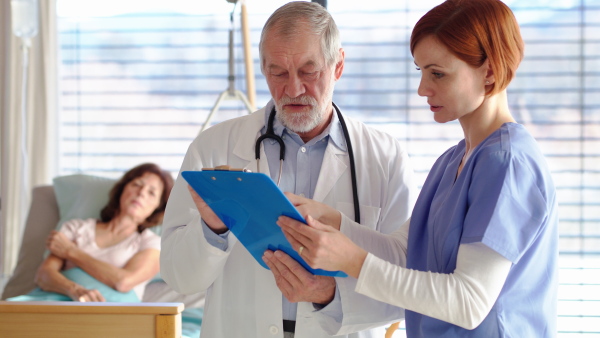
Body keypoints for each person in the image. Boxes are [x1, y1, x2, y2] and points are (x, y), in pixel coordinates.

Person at [276, 0, 559, 337]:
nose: (423, 89)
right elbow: (404, 253)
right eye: (421, 71)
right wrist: (332, 221)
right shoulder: (453, 161)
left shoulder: (507, 164)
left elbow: (469, 302)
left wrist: (350, 259)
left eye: (437, 73)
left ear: (490, 71)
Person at [160, 2, 417, 337]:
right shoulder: (213, 147)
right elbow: (179, 278)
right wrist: (213, 229)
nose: (293, 89)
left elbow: (403, 284)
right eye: (278, 73)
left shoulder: (385, 157)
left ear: (338, 65)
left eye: (309, 72)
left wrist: (328, 296)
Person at [33, 163, 174, 302]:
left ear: (158, 206)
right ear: (123, 189)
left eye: (151, 192)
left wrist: (70, 251)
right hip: (60, 303)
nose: (141, 193)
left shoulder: (152, 243)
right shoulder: (76, 227)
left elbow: (124, 282)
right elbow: (43, 275)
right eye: (137, 184)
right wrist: (73, 290)